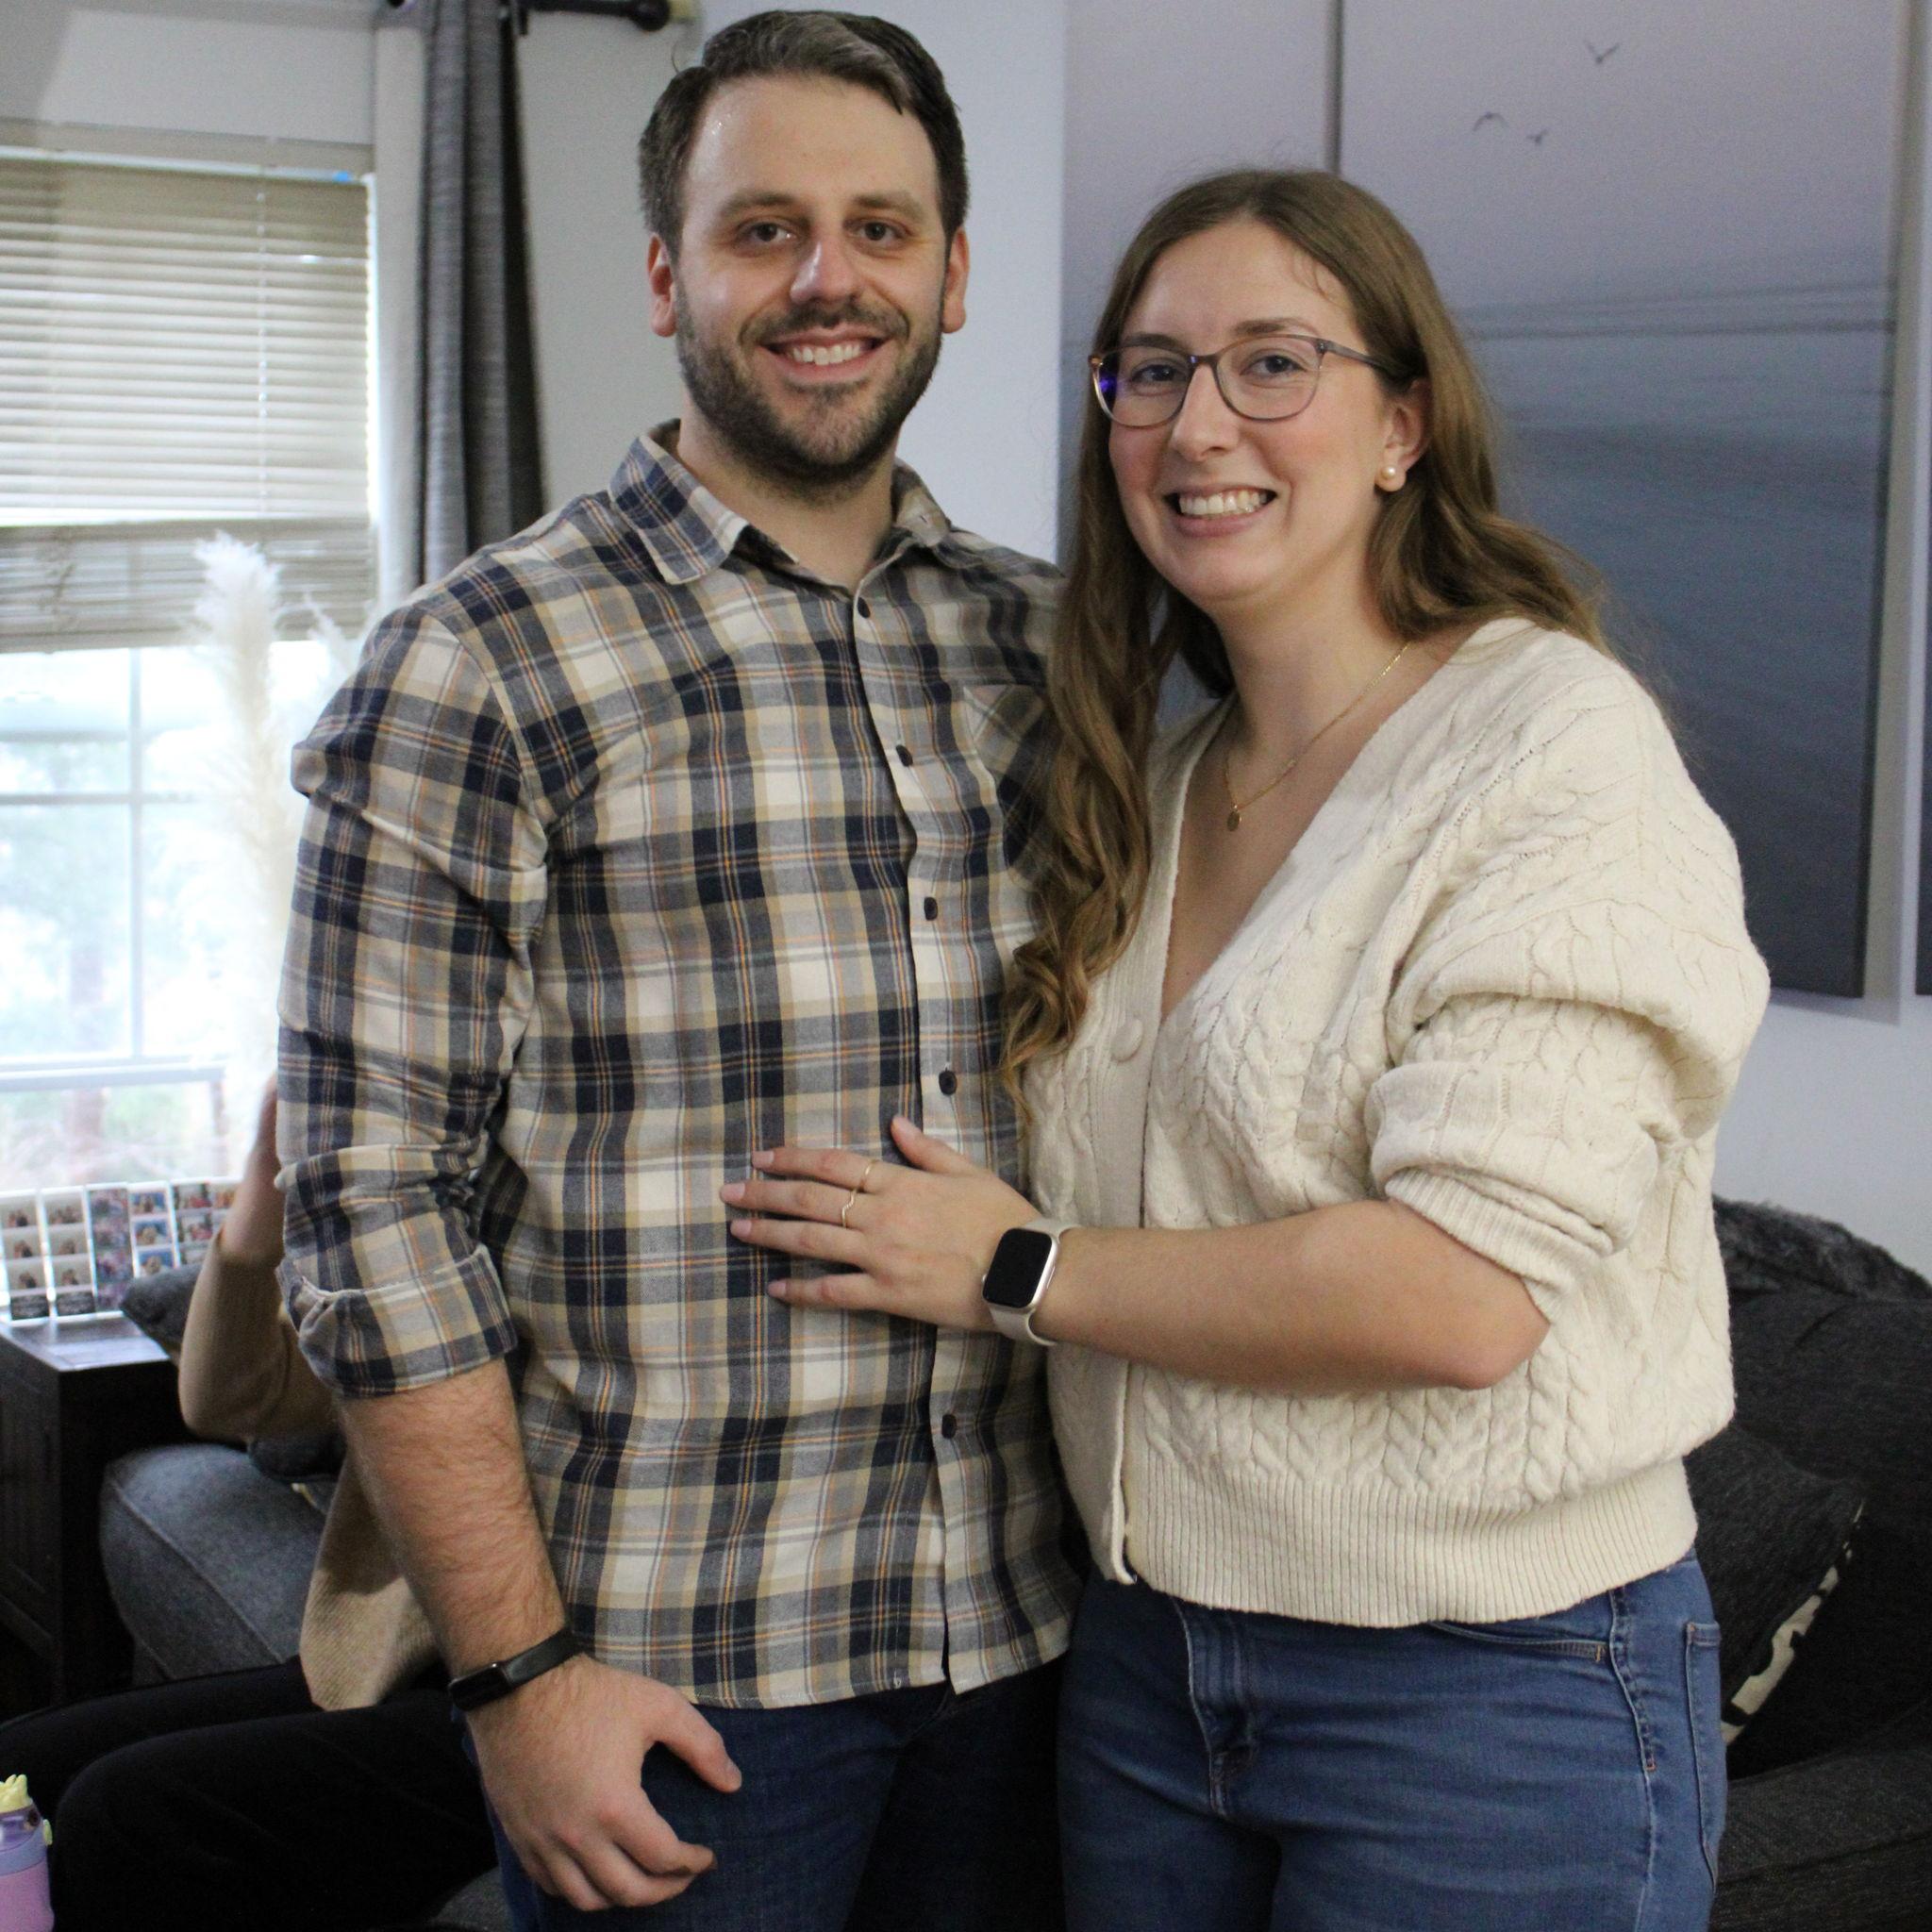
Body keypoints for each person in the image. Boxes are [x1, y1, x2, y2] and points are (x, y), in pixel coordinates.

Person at [723, 168, 1773, 1932]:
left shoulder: (1549, 747)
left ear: (1402, 427)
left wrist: (1013, 1266)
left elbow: (1459, 1294)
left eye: (1273, 363)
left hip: (1486, 1689)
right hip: (1146, 1671)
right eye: (1152, 371)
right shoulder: (1156, 781)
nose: (1200, 424)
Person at [276, 12, 1074, 1932]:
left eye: (880, 229)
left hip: (1039, 1640)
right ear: (665, 276)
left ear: (954, 273)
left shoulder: (1051, 648)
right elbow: (370, 1206)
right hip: (688, 1679)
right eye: (761, 230)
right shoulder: (474, 661)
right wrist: (516, 1675)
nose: (827, 279)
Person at [0, 1089, 495, 1930]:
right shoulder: (422, 1194)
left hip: (522, 1681)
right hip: (394, 1654)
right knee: (19, 1769)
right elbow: (229, 1399)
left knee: (124, 1815)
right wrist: (265, 1186)